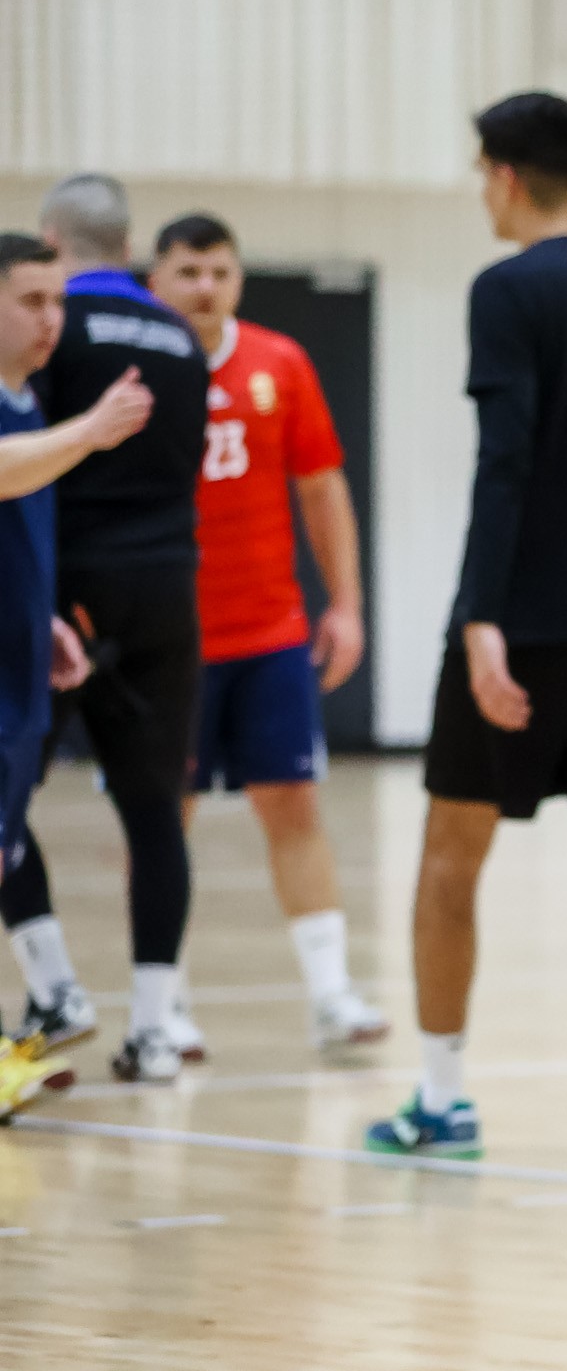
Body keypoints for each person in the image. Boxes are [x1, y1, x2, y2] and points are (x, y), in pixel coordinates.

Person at [365, 93, 567, 1159]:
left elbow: (507, 460)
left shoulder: (506, 288)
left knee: (449, 860)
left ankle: (441, 1099)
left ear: (502, 174)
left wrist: (481, 617)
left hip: (527, 622)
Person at [145, 215, 390, 1049]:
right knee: (160, 816)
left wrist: (345, 604)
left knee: (294, 804)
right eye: (188, 272)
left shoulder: (279, 362)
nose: (205, 287)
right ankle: (162, 1004)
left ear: (239, 279)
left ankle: (332, 994)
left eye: (220, 271)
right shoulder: (136, 368)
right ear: (156, 279)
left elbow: (322, 486)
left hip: (270, 634)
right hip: (166, 638)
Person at [3, 175, 214, 1084]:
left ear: (53, 242)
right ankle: (156, 1029)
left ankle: (53, 984)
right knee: (155, 809)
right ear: (130, 248)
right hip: (166, 589)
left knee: (8, 799)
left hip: (63, 592)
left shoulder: (55, 336)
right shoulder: (182, 337)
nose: (44, 315)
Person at [0, 234, 151, 1107]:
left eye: (58, 300)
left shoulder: (28, 404)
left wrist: (45, 616)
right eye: (31, 300)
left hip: (20, 663)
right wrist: (92, 431)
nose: (51, 318)